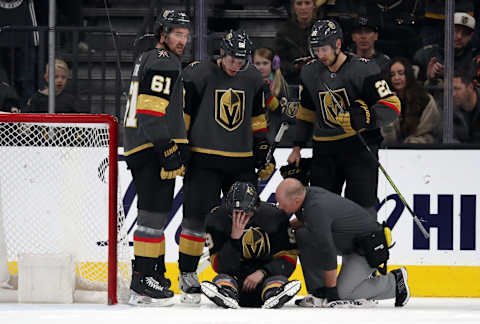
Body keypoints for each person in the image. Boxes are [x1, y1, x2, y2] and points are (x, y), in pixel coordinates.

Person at [180, 30, 277, 304]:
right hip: (203, 159)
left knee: (245, 219)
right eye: (233, 58)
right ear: (222, 53)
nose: (237, 63)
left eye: (242, 59)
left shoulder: (253, 77)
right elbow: (184, 113)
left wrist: (261, 146)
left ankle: (239, 273)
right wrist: (182, 144)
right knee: (196, 219)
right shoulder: (198, 73)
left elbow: (258, 117)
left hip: (241, 160)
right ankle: (187, 272)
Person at [288, 20, 401, 216]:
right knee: (321, 210)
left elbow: (392, 106)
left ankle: (364, 246)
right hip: (325, 150)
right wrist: (297, 146)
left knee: (361, 211)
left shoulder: (364, 69)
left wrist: (366, 118)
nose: (320, 55)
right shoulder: (309, 72)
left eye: (324, 49)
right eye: (316, 50)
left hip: (360, 148)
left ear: (338, 45)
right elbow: (306, 112)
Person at [122, 9, 191, 306]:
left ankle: (154, 274)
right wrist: (167, 148)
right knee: (153, 214)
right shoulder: (164, 61)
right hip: (152, 146)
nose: (182, 40)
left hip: (139, 145)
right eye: (177, 33)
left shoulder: (148, 57)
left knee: (155, 213)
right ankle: (143, 281)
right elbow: (151, 113)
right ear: (163, 34)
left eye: (186, 35)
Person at [275, 178, 410, 308]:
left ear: (297, 200)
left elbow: (328, 252)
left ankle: (394, 282)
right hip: (348, 243)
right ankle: (319, 291)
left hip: (367, 248)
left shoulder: (315, 207)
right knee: (303, 234)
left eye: (282, 204)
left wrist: (332, 290)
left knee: (344, 293)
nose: (280, 207)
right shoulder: (307, 196)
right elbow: (308, 221)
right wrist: (285, 226)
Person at [200, 181, 301, 309]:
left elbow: (289, 259)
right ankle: (227, 293)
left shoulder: (275, 217)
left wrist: (263, 272)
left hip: (267, 277)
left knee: (277, 280)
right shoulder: (216, 219)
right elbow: (220, 266)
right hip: (236, 278)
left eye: (245, 212)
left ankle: (273, 294)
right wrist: (235, 239)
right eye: (236, 213)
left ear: (256, 207)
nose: (240, 217)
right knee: (223, 278)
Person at [381, 57, 441, 144]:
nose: (396, 78)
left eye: (401, 73)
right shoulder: (386, 100)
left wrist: (409, 143)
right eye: (392, 75)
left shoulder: (424, 98)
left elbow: (429, 130)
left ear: (408, 75)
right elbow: (388, 139)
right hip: (392, 151)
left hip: (422, 147)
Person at [414, 12, 479, 84]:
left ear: (471, 36)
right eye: (456, 30)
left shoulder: (476, 60)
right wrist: (430, 79)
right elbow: (412, 88)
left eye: (465, 33)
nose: (459, 36)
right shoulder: (425, 55)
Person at [252, 47, 294, 145]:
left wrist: (267, 93)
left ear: (274, 64)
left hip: (274, 134)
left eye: (265, 63)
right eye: (257, 64)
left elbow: (282, 111)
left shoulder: (280, 84)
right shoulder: (248, 83)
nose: (261, 67)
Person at [275, 0, 317, 84]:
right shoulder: (284, 32)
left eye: (307, 3)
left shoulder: (323, 28)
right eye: (299, 3)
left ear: (314, 6)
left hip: (320, 78)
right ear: (293, 7)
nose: (303, 7)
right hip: (294, 79)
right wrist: (295, 67)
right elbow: (280, 62)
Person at [452, 69, 480, 144]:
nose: (453, 94)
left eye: (457, 89)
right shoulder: (449, 110)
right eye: (450, 90)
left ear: (470, 87)